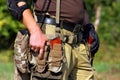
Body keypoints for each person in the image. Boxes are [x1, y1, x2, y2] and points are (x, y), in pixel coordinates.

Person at [8, 0, 99, 80]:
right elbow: (15, 2)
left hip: (78, 42)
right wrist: (35, 31)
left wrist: (88, 26)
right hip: (52, 40)